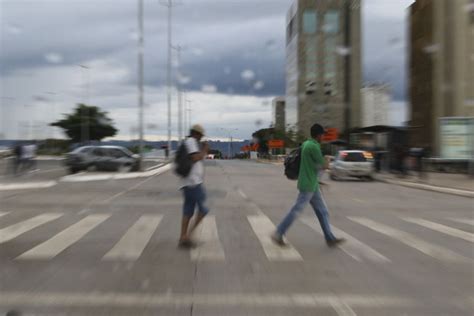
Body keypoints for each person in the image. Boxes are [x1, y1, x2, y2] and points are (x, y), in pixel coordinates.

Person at [272, 123, 345, 247]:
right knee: (296, 210)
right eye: (322, 135)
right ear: (318, 135)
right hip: (308, 185)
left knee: (323, 211)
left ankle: (329, 238)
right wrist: (327, 158)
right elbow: (324, 165)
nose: (323, 137)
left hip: (311, 183)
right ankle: (279, 232)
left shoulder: (306, 144)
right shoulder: (314, 147)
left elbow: (312, 165)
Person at [178, 124, 210, 248]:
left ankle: (183, 237)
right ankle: (187, 236)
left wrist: (202, 150)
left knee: (188, 211)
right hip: (193, 182)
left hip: (188, 182)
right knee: (203, 209)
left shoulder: (189, 142)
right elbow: (195, 157)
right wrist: (205, 150)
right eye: (201, 135)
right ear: (196, 134)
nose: (201, 138)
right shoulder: (191, 141)